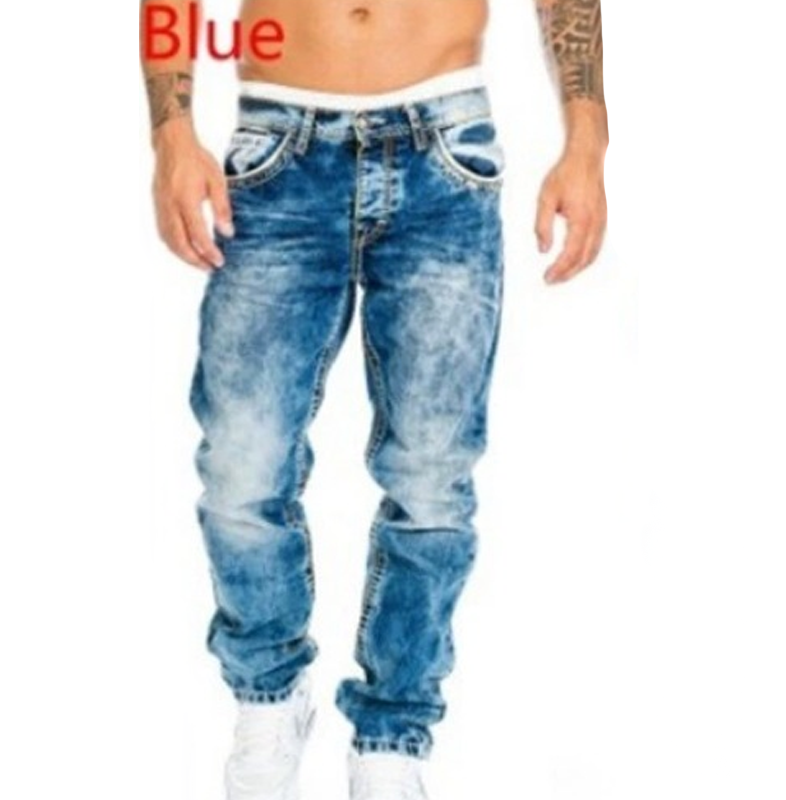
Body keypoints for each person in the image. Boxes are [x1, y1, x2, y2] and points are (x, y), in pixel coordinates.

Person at [140, 2, 608, 798]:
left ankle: (393, 733)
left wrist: (587, 142)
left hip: (444, 151)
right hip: (278, 152)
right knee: (240, 467)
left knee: (432, 479)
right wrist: (171, 136)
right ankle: (268, 693)